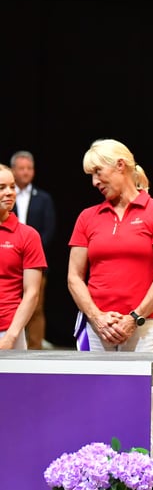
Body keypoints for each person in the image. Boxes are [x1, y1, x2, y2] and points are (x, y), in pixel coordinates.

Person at [68, 139, 153, 352]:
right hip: (97, 329)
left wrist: (134, 318)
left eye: (98, 172)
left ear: (120, 165)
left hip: (142, 328)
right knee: (95, 387)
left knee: (137, 387)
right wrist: (97, 317)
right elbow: (74, 277)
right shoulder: (87, 217)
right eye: (91, 175)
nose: (94, 182)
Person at [10, 150, 56, 349]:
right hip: (8, 262)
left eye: (29, 168)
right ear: (12, 170)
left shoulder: (43, 198)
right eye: (21, 168)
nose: (26, 172)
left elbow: (49, 229)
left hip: (34, 261)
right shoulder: (5, 196)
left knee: (35, 308)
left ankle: (35, 352)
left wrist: (28, 252)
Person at [0, 164, 47, 350]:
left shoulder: (28, 235)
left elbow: (32, 293)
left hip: (9, 332)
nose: (10, 192)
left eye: (12, 186)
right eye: (2, 188)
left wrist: (11, 337)